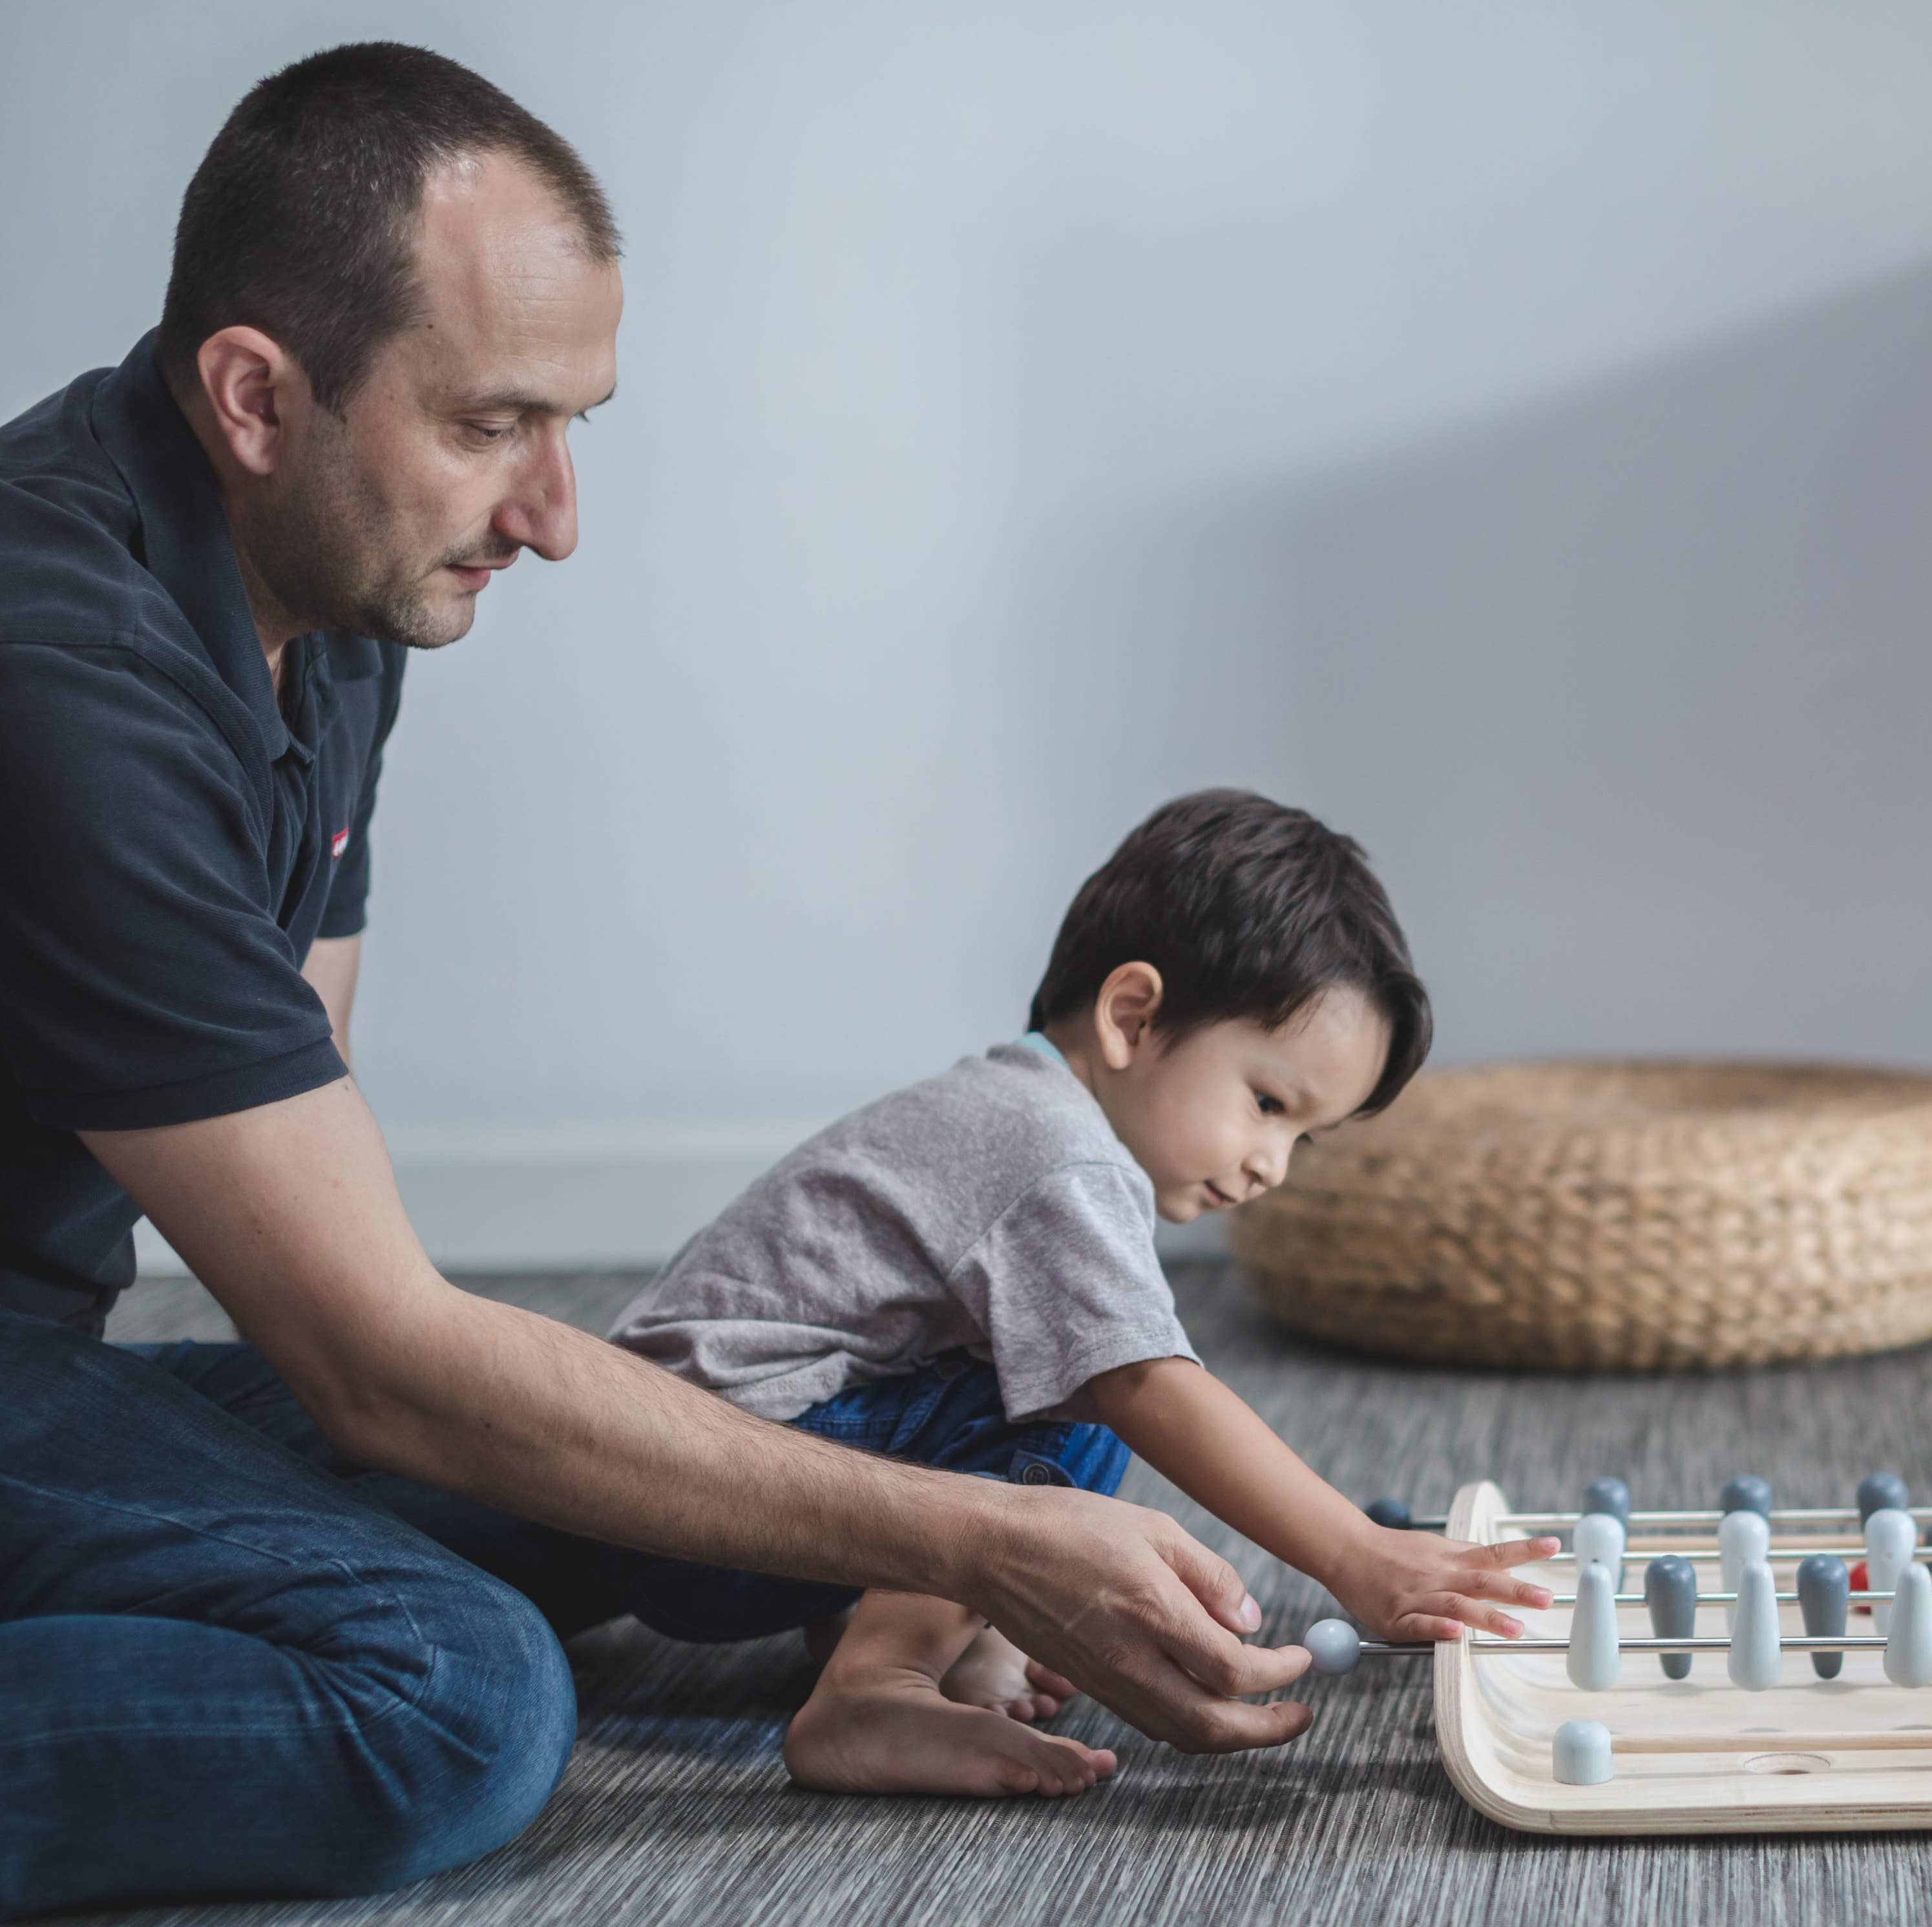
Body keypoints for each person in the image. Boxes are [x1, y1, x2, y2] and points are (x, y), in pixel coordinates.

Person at [0, 45, 1310, 1919]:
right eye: (490, 424)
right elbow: (376, 1360)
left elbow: (305, 1203)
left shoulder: (332, 587)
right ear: (255, 397)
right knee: (459, 1694)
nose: (552, 514)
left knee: (735, 1454)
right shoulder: (62, 681)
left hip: (40, 1353)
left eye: (574, 425)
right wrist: (986, 1546)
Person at [607, 790, 1557, 1795]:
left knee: (1031, 1361)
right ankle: (875, 1684)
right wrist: (1359, 1552)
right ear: (1132, 1016)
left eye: (1303, 1136)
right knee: (1083, 1405)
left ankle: (886, 1627)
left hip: (670, 1491)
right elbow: (1147, 1385)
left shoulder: (1005, 1104)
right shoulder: (1057, 1149)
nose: (1275, 1162)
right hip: (710, 1496)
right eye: (1268, 1103)